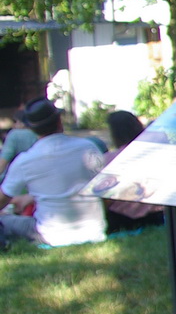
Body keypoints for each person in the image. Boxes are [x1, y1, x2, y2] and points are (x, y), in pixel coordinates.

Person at [0, 98, 107, 249]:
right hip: (94, 230)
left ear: (31, 129)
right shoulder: (88, 147)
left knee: (5, 220)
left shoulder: (25, 160)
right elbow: (104, 188)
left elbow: (2, 200)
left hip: (50, 234)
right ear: (59, 121)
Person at [101, 110, 164, 234]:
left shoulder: (109, 159)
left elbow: (105, 198)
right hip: (156, 217)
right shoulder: (157, 155)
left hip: (121, 219)